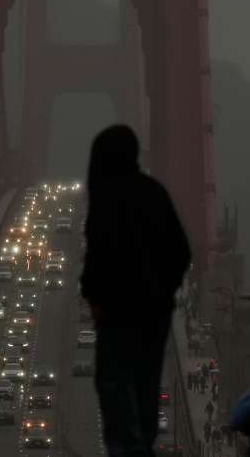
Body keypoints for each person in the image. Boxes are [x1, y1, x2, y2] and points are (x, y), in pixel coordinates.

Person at [81, 125, 192, 457]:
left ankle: (127, 451)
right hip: (155, 315)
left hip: (117, 314)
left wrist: (95, 298)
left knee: (114, 385)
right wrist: (163, 293)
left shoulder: (105, 197)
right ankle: (142, 446)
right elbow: (181, 251)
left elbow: (97, 256)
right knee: (146, 383)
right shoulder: (154, 192)